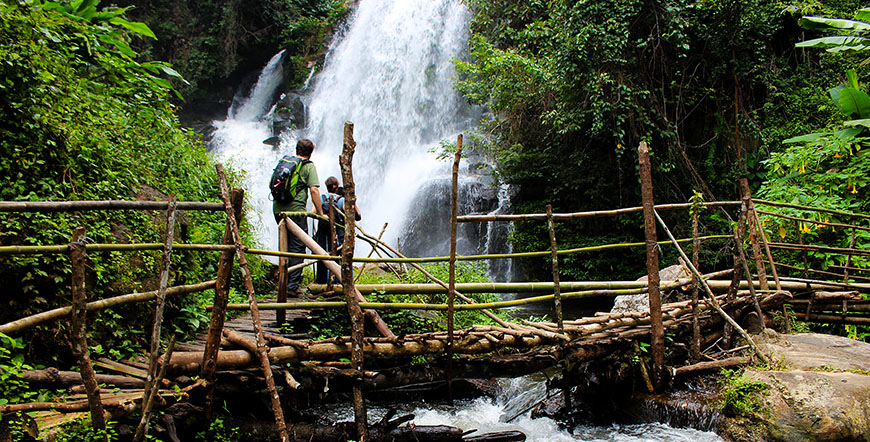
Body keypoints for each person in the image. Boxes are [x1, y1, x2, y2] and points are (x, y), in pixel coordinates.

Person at [273, 138, 323, 294]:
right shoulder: (308, 166)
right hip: (296, 212)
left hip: (278, 209)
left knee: (285, 245)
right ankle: (291, 287)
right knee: (298, 247)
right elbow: (314, 190)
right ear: (311, 152)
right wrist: (320, 213)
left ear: (297, 149)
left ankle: (283, 282)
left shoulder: (285, 162)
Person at [315, 176, 361, 284]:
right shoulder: (341, 200)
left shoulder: (321, 198)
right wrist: (354, 202)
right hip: (338, 233)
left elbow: (314, 211)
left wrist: (322, 215)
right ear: (336, 186)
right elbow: (357, 216)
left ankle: (322, 281)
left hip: (322, 233)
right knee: (340, 256)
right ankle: (339, 281)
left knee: (322, 254)